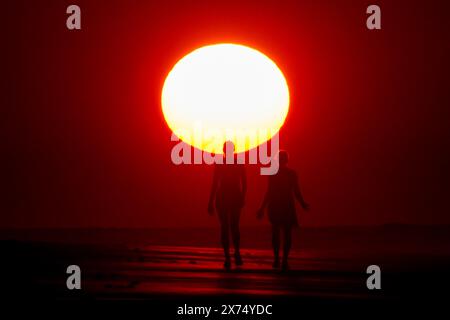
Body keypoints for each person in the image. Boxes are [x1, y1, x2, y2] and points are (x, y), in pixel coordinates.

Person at [257, 150, 310, 270]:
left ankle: (278, 259)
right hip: (285, 205)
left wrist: (262, 207)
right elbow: (296, 191)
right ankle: (283, 260)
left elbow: (269, 192)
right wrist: (302, 203)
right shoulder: (290, 174)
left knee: (277, 233)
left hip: (278, 205)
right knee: (286, 234)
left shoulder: (275, 174)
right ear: (287, 160)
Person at [208, 141, 247, 269]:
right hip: (229, 195)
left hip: (229, 196)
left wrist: (210, 201)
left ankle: (231, 255)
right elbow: (244, 182)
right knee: (231, 226)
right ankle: (232, 254)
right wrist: (210, 201)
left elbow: (244, 181)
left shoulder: (225, 163)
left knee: (228, 227)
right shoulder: (233, 163)